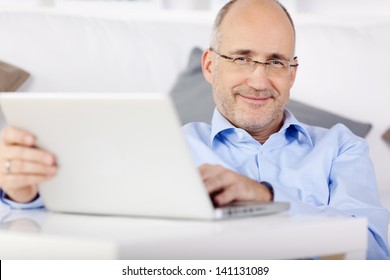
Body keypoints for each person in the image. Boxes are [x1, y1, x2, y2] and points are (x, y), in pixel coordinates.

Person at [0, 0, 389, 259]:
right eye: (242, 58)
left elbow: (375, 251)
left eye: (275, 62)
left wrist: (268, 198)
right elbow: (82, 225)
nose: (258, 79)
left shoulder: (341, 148)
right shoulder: (165, 147)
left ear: (291, 74)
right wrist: (23, 195)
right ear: (209, 66)